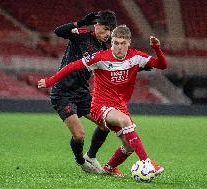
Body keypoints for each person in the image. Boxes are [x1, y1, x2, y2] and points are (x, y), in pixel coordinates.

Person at [38, 25, 166, 177]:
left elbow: (162, 65)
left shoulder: (136, 57)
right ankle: (146, 162)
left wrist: (157, 48)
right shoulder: (100, 57)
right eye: (116, 43)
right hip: (100, 106)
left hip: (119, 107)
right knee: (125, 121)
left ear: (129, 42)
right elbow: (72, 66)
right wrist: (49, 81)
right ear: (111, 42)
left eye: (122, 43)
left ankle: (109, 168)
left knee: (129, 146)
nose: (119, 47)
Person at [48, 10, 117, 173]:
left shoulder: (103, 48)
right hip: (63, 93)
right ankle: (80, 161)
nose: (107, 34)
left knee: (105, 125)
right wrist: (79, 22)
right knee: (79, 135)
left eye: (110, 30)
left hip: (82, 93)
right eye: (105, 29)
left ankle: (90, 156)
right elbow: (58, 31)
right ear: (96, 25)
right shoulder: (82, 34)